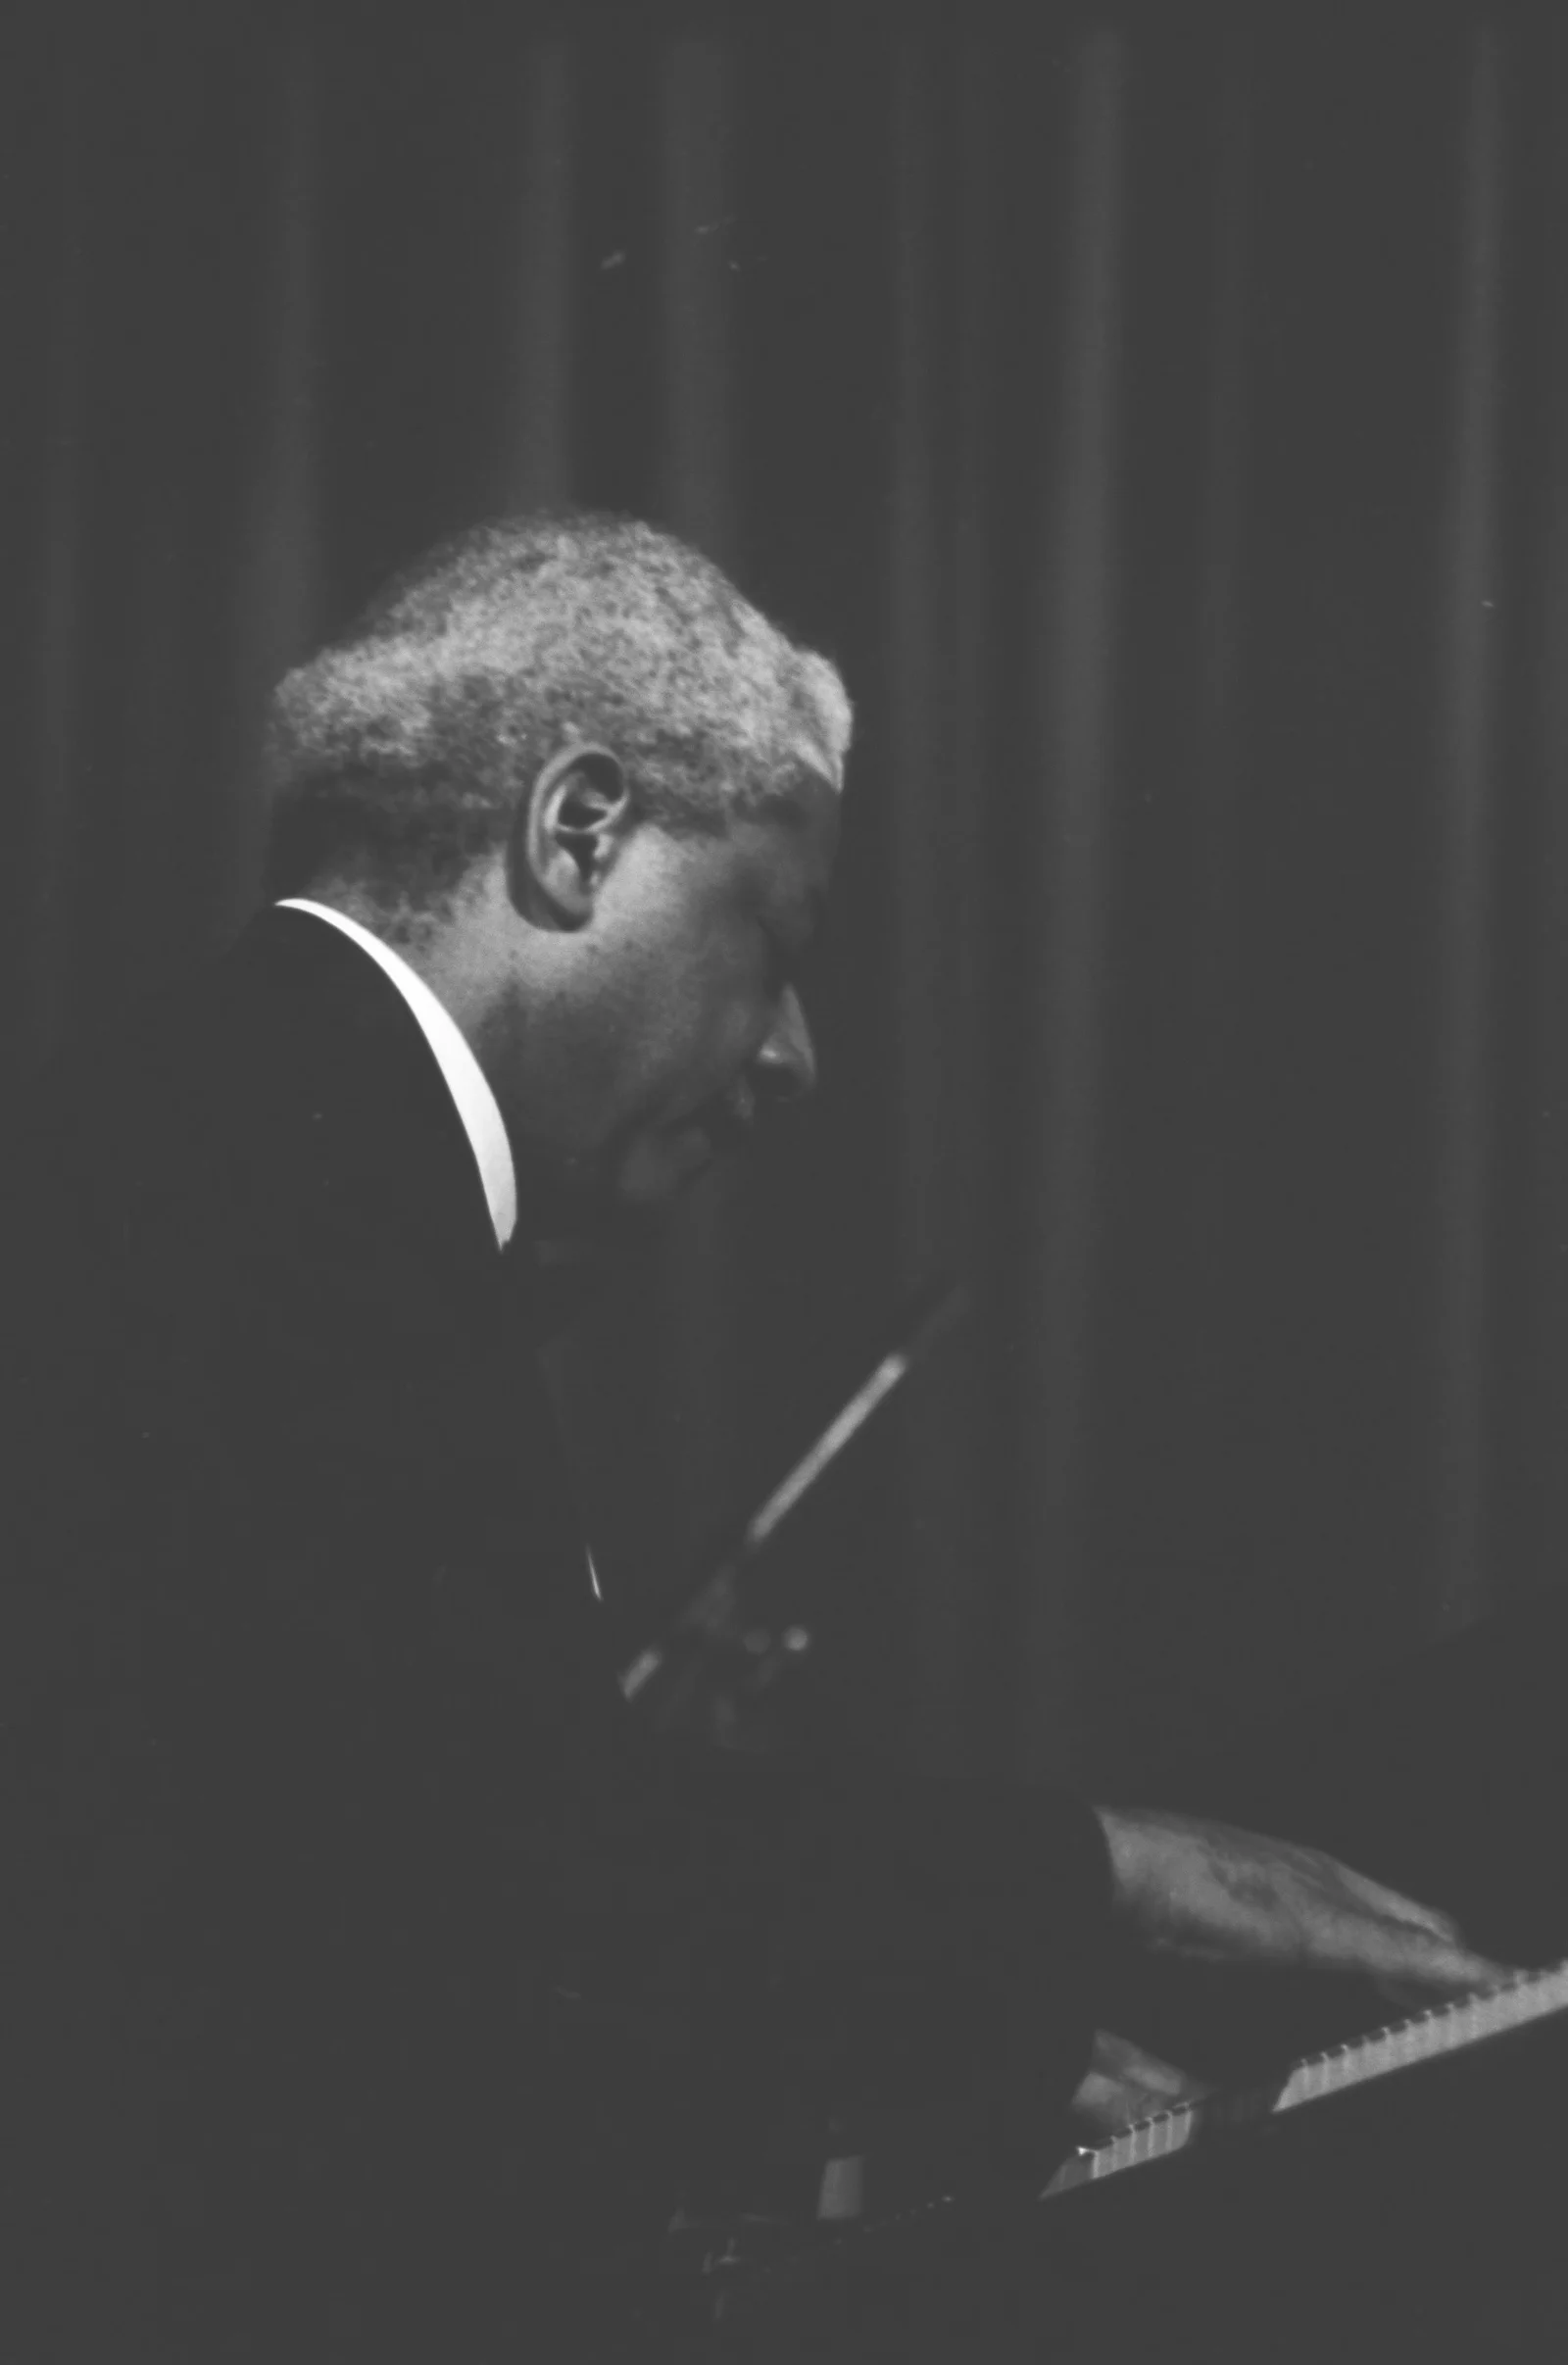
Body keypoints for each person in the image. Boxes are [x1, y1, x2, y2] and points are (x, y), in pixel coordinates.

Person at [0, 512, 1502, 2360]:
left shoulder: (230, 1124)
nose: (794, 1055)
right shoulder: (298, 1182)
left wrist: (936, 2035)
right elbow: (502, 1904)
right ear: (578, 833)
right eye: (774, 940)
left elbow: (358, 1918)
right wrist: (1109, 1878)